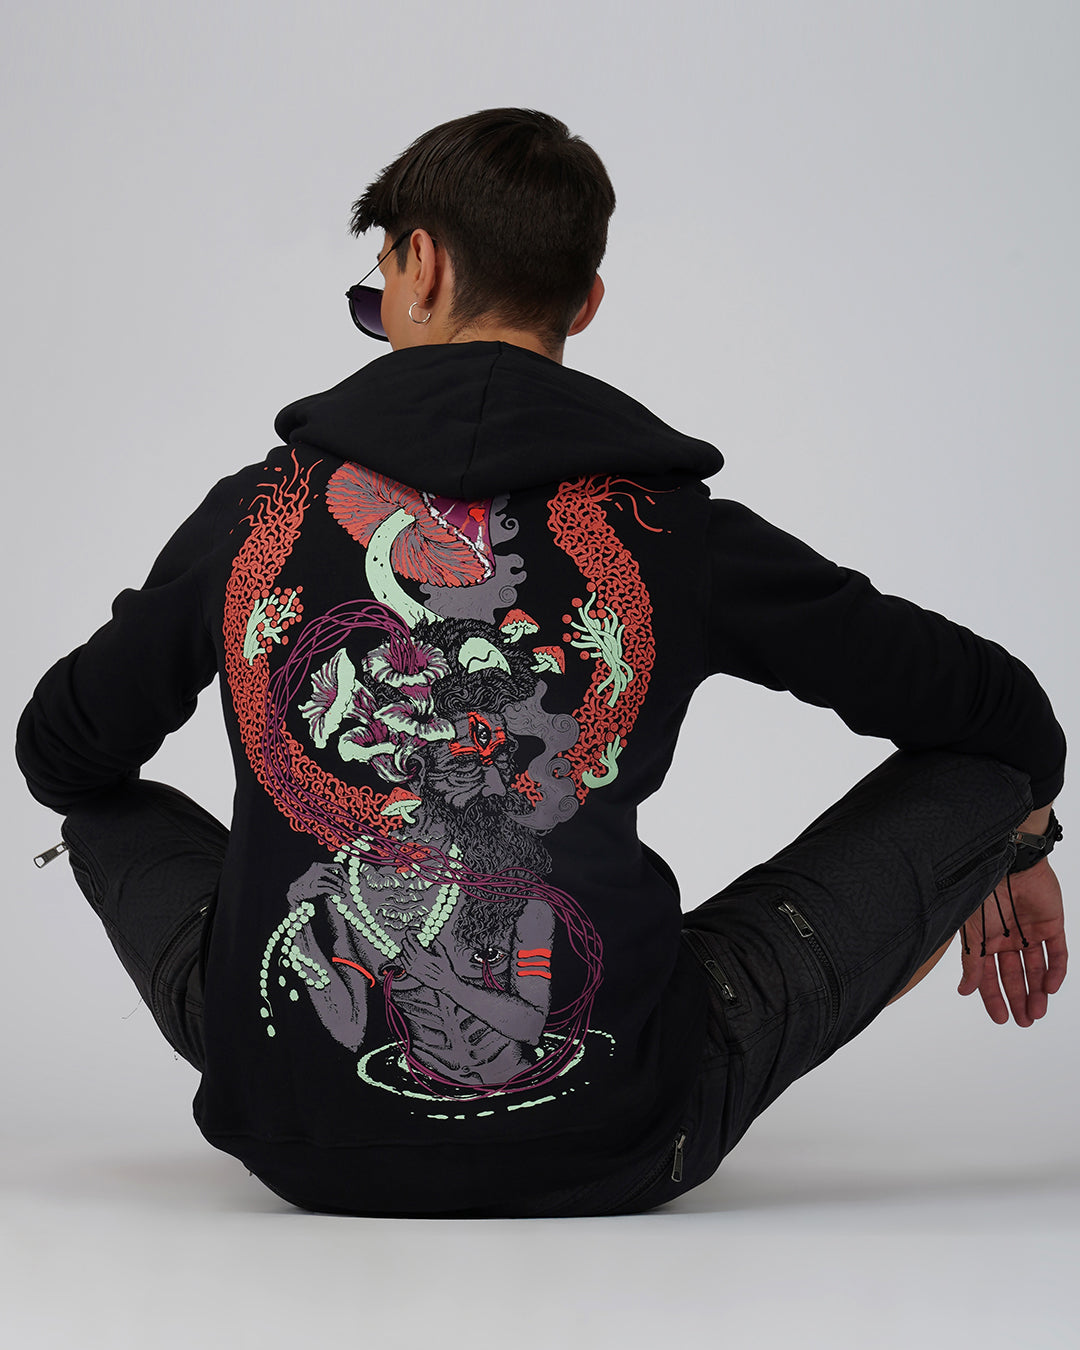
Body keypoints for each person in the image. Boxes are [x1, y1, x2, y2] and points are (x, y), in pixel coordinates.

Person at [15, 107, 1066, 1220]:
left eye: (379, 287)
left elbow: (61, 755)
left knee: (104, 805)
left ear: (422, 266)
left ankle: (294, 1036)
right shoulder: (675, 530)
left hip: (296, 1139)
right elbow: (1002, 716)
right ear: (586, 303)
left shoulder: (257, 514)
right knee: (992, 776)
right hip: (626, 1139)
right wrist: (1015, 839)